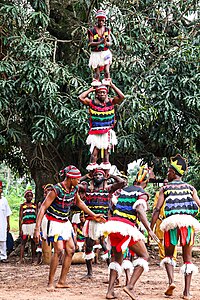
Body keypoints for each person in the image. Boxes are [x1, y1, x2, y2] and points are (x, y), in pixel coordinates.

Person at [33, 165, 105, 291]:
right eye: (77, 179)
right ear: (70, 178)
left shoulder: (74, 189)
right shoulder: (56, 190)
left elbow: (79, 203)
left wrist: (93, 215)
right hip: (53, 222)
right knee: (59, 250)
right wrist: (37, 228)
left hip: (65, 222)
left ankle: (62, 281)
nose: (79, 181)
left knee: (71, 249)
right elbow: (43, 207)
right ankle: (50, 282)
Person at [101, 166, 159, 299]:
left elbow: (113, 206)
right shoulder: (141, 193)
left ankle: (110, 291)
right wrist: (149, 229)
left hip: (113, 226)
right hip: (125, 227)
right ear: (145, 182)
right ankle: (130, 286)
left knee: (116, 258)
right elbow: (139, 210)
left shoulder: (123, 191)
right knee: (144, 256)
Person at [150, 154, 200, 300]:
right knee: (187, 258)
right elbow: (199, 203)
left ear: (173, 172)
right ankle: (187, 292)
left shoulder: (165, 189)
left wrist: (151, 228)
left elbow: (157, 209)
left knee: (169, 255)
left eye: (168, 171)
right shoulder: (191, 188)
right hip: (187, 223)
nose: (167, 173)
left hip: (171, 222)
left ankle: (171, 282)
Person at [80, 168, 126, 279]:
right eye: (96, 175)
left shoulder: (108, 189)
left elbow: (122, 183)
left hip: (103, 222)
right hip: (91, 221)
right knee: (88, 246)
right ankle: (90, 273)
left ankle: (112, 273)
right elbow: (75, 184)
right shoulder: (88, 189)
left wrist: (110, 176)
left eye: (100, 175)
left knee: (105, 245)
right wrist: (87, 176)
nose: (98, 177)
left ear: (104, 177)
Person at [78, 83, 124, 172]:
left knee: (106, 153)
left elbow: (122, 96)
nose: (102, 94)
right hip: (96, 132)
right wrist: (91, 89)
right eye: (100, 93)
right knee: (94, 153)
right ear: (96, 94)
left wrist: (112, 85)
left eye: (104, 92)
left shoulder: (111, 102)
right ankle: (92, 172)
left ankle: (106, 173)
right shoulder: (92, 103)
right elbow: (81, 98)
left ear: (107, 94)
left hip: (107, 131)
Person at [152, 179, 177, 262]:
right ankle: (163, 258)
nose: (166, 184)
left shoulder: (173, 193)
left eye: (167, 183)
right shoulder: (158, 194)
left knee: (173, 239)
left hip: (171, 220)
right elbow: (156, 207)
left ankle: (173, 258)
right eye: (164, 183)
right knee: (160, 239)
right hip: (161, 219)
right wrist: (158, 217)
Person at [88, 9, 112, 86]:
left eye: (102, 20)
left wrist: (106, 43)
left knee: (106, 70)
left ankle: (107, 84)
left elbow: (109, 43)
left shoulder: (107, 30)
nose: (101, 22)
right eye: (99, 20)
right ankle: (96, 86)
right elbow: (90, 43)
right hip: (96, 54)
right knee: (97, 73)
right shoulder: (92, 30)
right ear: (97, 20)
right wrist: (100, 42)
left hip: (105, 53)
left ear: (104, 20)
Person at [19, 189, 37, 263]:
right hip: (25, 225)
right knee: (23, 242)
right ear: (25, 197)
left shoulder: (34, 205)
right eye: (28, 196)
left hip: (33, 225)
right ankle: (21, 259)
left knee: (33, 242)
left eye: (31, 196)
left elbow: (36, 215)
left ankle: (33, 258)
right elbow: (20, 217)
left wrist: (37, 227)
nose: (29, 197)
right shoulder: (22, 206)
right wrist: (20, 228)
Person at [0, 181, 12, 263]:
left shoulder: (4, 200)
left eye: (0, 188)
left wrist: (8, 224)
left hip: (2, 223)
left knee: (3, 239)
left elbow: (8, 213)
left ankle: (3, 257)